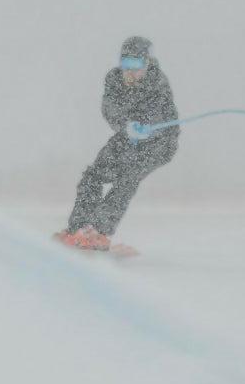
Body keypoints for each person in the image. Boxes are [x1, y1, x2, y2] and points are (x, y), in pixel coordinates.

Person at [57, 36, 179, 249]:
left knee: (128, 176)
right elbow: (110, 108)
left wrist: (148, 127)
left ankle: (99, 232)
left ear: (147, 62)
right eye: (126, 63)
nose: (130, 70)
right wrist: (126, 125)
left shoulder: (157, 82)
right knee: (93, 175)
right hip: (127, 136)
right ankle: (78, 227)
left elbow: (163, 115)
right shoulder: (114, 79)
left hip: (160, 143)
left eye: (136, 64)